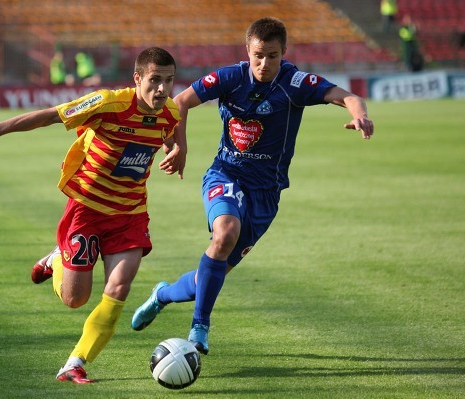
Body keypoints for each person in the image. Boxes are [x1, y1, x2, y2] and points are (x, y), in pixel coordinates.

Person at [131, 17, 374, 355]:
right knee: (224, 233)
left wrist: (359, 114)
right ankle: (199, 328)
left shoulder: (296, 82)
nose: (264, 63)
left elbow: (346, 96)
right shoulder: (230, 76)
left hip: (266, 194)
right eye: (258, 55)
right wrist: (179, 146)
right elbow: (182, 102)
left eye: (272, 56)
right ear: (248, 50)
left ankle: (162, 294)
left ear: (283, 53)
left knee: (207, 279)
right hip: (225, 175)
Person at [0, 47, 181, 383]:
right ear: (137, 79)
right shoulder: (108, 103)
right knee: (75, 299)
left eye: (168, 80)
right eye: (154, 80)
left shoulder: (170, 113)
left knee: (119, 288)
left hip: (130, 214)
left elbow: (171, 132)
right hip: (87, 210)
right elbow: (51, 115)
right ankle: (59, 256)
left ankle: (75, 362)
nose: (162, 89)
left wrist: (178, 151)